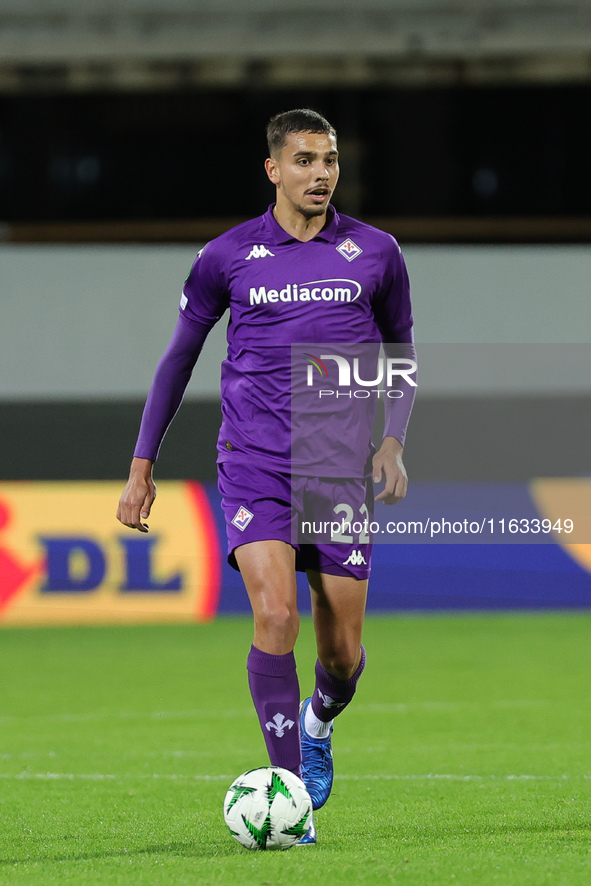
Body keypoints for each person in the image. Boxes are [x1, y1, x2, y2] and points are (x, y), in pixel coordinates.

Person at [117, 108, 416, 845]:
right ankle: (293, 802)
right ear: (273, 169)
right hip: (255, 465)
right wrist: (140, 465)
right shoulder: (227, 257)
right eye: (306, 160)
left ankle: (317, 719)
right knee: (274, 617)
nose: (321, 173)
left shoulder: (374, 253)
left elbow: (400, 353)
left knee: (341, 655)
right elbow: (178, 359)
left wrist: (392, 443)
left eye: (331, 160)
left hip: (338, 471)